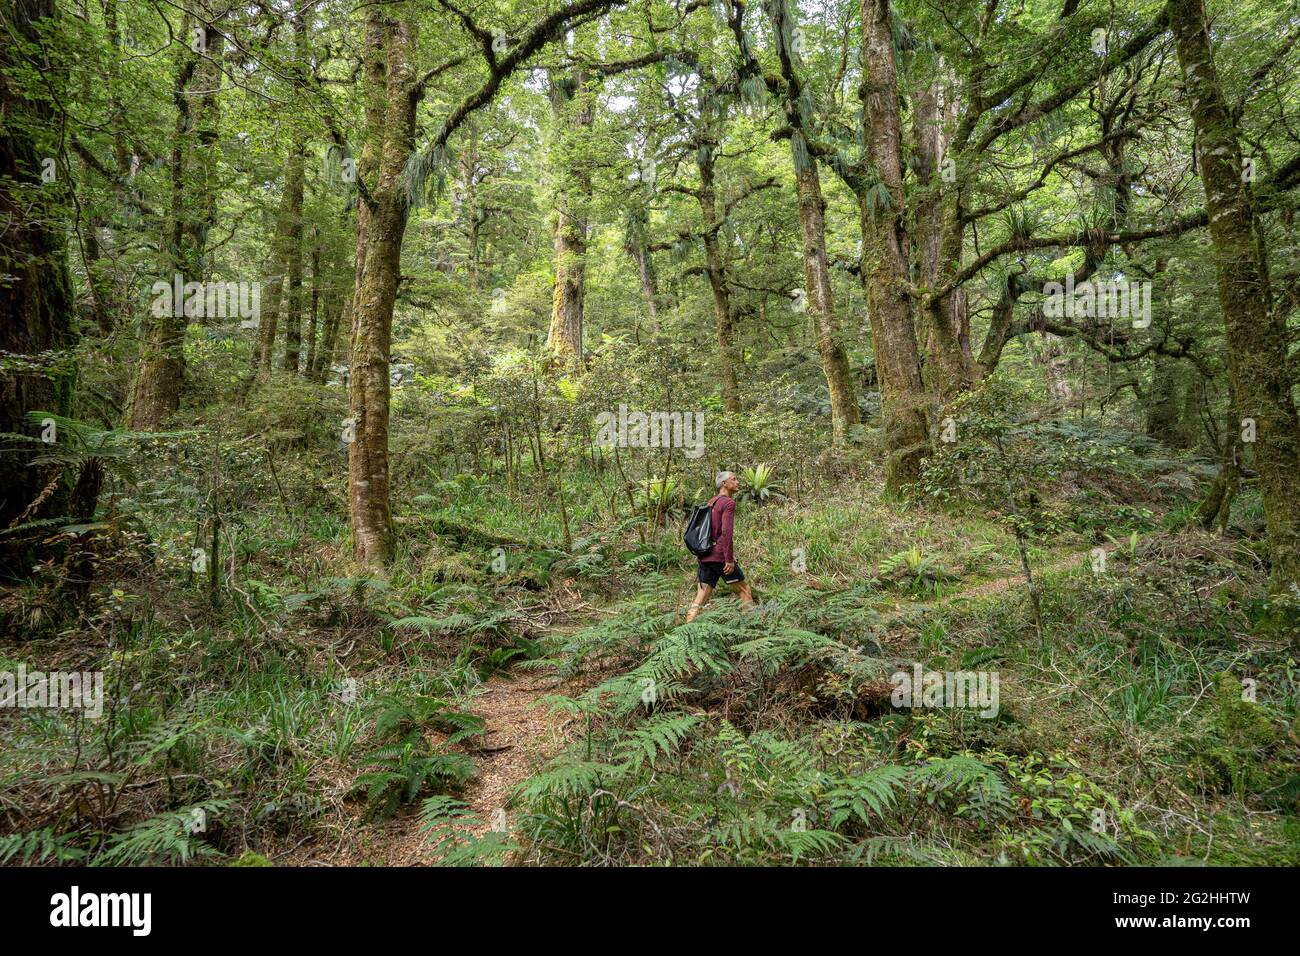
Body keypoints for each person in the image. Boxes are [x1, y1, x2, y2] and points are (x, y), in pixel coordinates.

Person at [686, 471, 756, 622]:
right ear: (724, 484)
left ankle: (685, 630)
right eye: (734, 479)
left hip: (705, 555)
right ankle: (752, 628)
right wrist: (728, 559)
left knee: (701, 597)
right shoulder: (728, 503)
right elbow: (726, 533)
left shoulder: (712, 501)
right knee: (744, 590)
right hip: (720, 556)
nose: (737, 482)